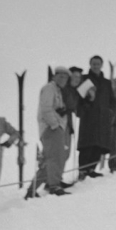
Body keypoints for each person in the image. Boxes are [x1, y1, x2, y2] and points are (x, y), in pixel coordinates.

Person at [26, 66, 73, 198]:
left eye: (65, 77)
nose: (63, 79)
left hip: (54, 128)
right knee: (55, 158)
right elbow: (46, 108)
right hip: (51, 128)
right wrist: (55, 125)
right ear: (55, 76)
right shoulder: (49, 88)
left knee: (51, 159)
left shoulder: (57, 90)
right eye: (61, 76)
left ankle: (32, 190)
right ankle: (54, 186)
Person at [77, 55, 116, 179]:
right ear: (90, 64)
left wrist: (111, 112)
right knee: (87, 143)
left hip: (103, 118)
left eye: (98, 63)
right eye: (93, 63)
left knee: (99, 145)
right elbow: (80, 98)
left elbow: (112, 100)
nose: (95, 66)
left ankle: (91, 168)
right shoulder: (84, 79)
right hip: (89, 116)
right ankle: (83, 169)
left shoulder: (106, 82)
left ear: (101, 65)